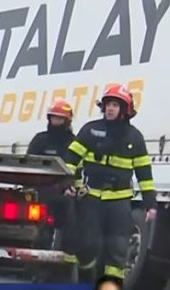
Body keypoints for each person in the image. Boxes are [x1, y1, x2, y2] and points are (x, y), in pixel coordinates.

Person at [62, 84, 157, 282]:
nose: (110, 109)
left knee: (117, 250)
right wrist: (67, 183)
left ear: (125, 110)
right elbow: (70, 159)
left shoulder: (135, 137)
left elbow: (144, 173)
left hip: (119, 204)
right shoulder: (90, 130)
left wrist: (150, 203)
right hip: (91, 199)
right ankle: (87, 281)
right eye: (107, 105)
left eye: (115, 105)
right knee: (88, 247)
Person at [26, 99, 81, 263]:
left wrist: (73, 188)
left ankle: (65, 266)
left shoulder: (74, 142)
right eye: (53, 117)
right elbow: (28, 165)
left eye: (60, 118)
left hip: (67, 193)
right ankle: (37, 267)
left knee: (71, 231)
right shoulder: (40, 140)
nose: (56, 121)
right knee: (42, 232)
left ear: (67, 121)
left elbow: (80, 168)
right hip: (43, 192)